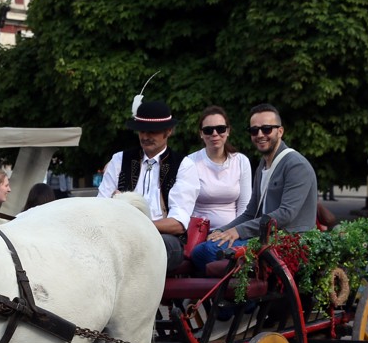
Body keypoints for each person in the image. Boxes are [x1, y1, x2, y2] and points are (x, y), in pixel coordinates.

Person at [197, 103, 318, 263]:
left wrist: (238, 231)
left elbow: (285, 214)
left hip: (288, 243)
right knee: (200, 249)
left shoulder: (295, 165)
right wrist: (222, 230)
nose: (260, 134)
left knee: (207, 251)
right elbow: (250, 212)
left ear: (280, 131)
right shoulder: (263, 164)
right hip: (265, 238)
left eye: (266, 129)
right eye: (254, 130)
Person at [96, 99, 197, 273]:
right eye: (142, 130)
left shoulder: (183, 165)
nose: (145, 136)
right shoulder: (119, 160)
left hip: (163, 237)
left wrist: (140, 225)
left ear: (168, 131)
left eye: (153, 131)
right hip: (119, 234)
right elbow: (100, 206)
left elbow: (178, 224)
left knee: (157, 247)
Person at [185, 105, 252, 273]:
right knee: (205, 251)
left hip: (235, 234)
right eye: (208, 130)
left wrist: (231, 232)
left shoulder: (241, 161)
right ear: (201, 134)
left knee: (227, 252)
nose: (215, 134)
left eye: (220, 129)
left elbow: (245, 207)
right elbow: (187, 206)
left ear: (228, 131)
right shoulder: (190, 162)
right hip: (202, 236)